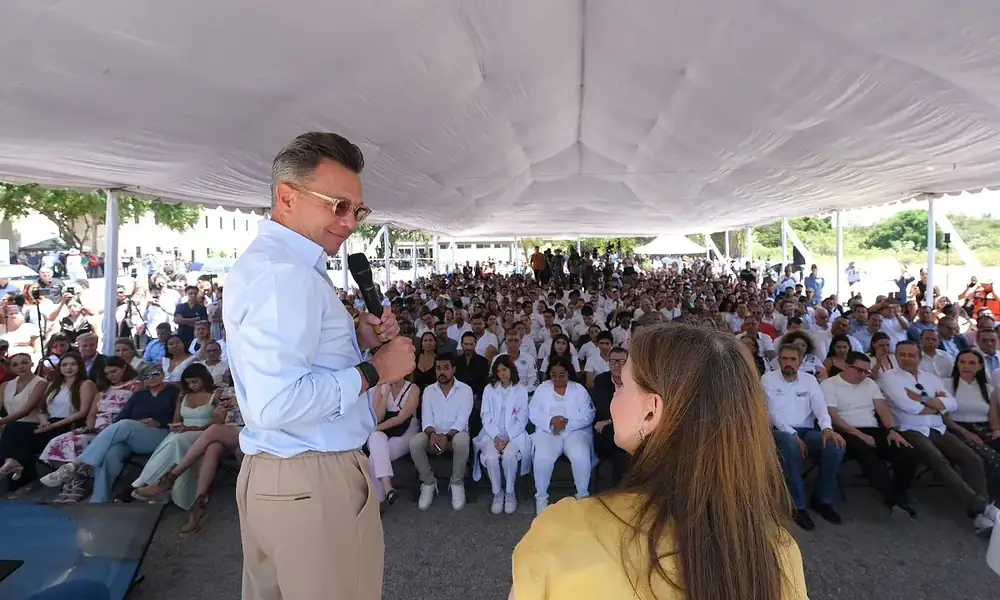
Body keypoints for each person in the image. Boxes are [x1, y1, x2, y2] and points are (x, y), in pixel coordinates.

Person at [224, 132, 414, 600]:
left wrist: (359, 342)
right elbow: (276, 403)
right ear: (287, 197)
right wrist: (377, 371)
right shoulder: (284, 275)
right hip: (312, 478)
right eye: (338, 205)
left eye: (358, 210)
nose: (350, 222)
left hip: (287, 475)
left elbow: (295, 369)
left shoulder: (281, 266)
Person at [510, 324, 807, 600]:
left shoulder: (564, 532)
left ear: (651, 412)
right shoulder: (778, 549)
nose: (615, 397)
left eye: (623, 386)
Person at [821, 351, 919, 517]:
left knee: (908, 452)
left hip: (871, 427)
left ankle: (897, 493)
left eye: (866, 371)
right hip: (845, 430)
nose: (863, 375)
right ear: (846, 366)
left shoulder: (870, 384)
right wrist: (860, 435)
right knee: (868, 456)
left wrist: (892, 430)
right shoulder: (829, 385)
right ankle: (894, 499)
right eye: (859, 370)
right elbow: (834, 417)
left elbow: (882, 409)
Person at [762, 344, 846, 530]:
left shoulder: (809, 380)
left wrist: (826, 428)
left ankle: (823, 499)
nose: (788, 363)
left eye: (793, 359)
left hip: (807, 431)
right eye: (784, 359)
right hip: (779, 431)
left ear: (800, 362)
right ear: (779, 360)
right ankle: (797, 506)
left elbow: (820, 406)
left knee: (835, 445)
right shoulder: (768, 379)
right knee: (791, 446)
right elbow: (772, 413)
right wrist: (793, 434)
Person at [530, 356, 596, 515]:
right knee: (543, 457)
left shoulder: (578, 389)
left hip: (576, 431)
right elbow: (533, 412)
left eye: (562, 375)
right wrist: (551, 421)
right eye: (554, 375)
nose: (558, 379)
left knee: (580, 455)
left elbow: (589, 414)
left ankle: (582, 496)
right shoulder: (542, 389)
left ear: (568, 373)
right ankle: (541, 498)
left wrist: (565, 424)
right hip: (549, 432)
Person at [408, 353, 474, 511]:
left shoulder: (465, 390)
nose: (442, 372)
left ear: (454, 369)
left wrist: (447, 437)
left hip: (455, 435)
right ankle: (428, 482)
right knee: (415, 442)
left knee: (462, 441)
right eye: (438, 368)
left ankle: (457, 482)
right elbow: (426, 419)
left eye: (446, 368)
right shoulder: (429, 391)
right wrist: (432, 435)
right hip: (433, 435)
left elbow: (462, 420)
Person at [473, 355, 531, 515]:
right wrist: (496, 436)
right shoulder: (489, 389)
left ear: (511, 369)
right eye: (498, 371)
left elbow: (522, 417)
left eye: (504, 370)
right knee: (491, 457)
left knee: (510, 455)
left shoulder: (520, 389)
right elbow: (485, 415)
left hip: (514, 433)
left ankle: (510, 493)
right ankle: (497, 493)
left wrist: (508, 438)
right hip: (491, 433)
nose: (502, 374)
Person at [366, 377, 420, 510]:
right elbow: (377, 417)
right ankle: (388, 488)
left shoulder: (413, 389)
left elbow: (400, 419)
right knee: (376, 439)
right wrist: (385, 393)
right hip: (384, 431)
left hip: (406, 432)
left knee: (373, 460)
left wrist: (375, 429)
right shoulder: (382, 387)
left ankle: (378, 503)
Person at [590, 346, 631, 486]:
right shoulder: (601, 380)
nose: (617, 365)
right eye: (613, 361)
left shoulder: (635, 381)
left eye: (622, 362)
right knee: (614, 441)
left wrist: (610, 420)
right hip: (607, 433)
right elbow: (602, 407)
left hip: (626, 427)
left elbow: (633, 409)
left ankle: (617, 488)